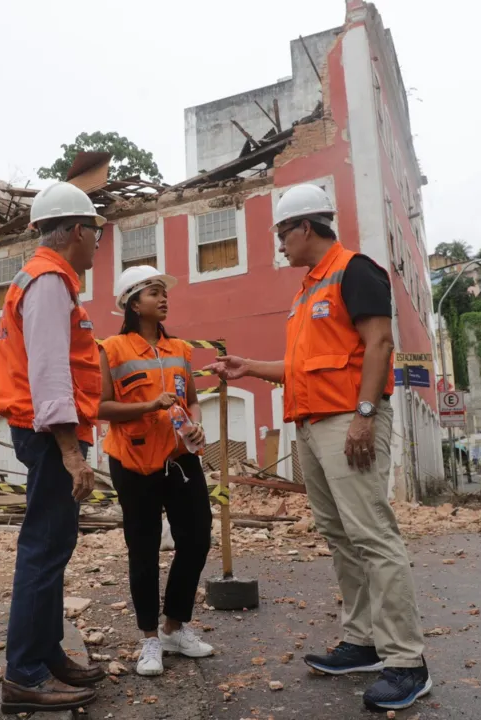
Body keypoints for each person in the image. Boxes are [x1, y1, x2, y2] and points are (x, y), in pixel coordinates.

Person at [205, 184, 431, 712]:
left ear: (305, 227)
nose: (279, 243)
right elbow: (302, 368)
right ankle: (364, 642)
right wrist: (247, 368)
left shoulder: (354, 271)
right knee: (339, 534)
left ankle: (407, 662)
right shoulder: (307, 291)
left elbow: (379, 344)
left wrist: (365, 416)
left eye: (282, 233)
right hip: (311, 424)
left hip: (348, 422)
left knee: (373, 536)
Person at [0, 182, 106, 714]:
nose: (100, 244)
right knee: (42, 548)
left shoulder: (47, 278)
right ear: (77, 231)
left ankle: (46, 654)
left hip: (46, 431)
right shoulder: (48, 280)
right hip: (49, 435)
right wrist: (70, 450)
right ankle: (24, 674)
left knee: (53, 546)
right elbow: (49, 370)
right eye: (97, 233)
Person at [97, 265, 213, 677]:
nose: (164, 298)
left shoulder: (180, 348)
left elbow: (193, 398)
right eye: (154, 292)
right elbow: (99, 407)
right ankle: (149, 639)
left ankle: (173, 628)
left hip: (180, 459)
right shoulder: (111, 349)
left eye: (164, 291)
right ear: (132, 302)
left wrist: (195, 421)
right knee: (143, 550)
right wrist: (148, 406)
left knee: (197, 539)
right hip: (132, 461)